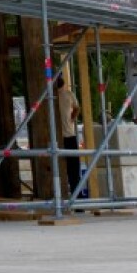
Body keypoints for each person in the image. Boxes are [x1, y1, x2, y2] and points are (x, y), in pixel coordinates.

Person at [54, 73, 82, 205]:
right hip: (69, 136)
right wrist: (72, 118)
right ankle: (77, 199)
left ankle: (68, 198)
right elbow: (77, 108)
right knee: (73, 170)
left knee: (60, 168)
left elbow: (77, 108)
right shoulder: (68, 94)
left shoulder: (54, 96)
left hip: (60, 137)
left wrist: (72, 118)